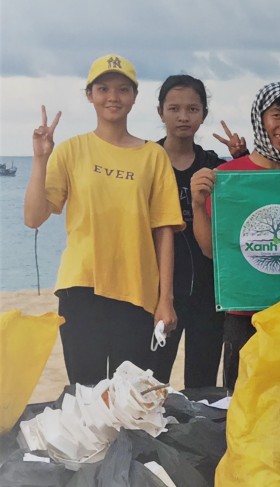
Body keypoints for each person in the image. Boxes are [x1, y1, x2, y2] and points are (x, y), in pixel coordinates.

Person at [23, 54, 183, 386]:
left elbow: (164, 231)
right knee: (87, 399)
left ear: (134, 97)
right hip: (81, 289)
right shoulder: (71, 150)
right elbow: (33, 217)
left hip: (137, 293)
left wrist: (164, 300)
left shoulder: (154, 156)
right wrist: (40, 158)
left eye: (123, 89)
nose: (113, 97)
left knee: (129, 403)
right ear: (90, 95)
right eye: (103, 88)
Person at [190, 82, 280, 391]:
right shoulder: (230, 176)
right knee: (241, 404)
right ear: (260, 117)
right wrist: (196, 203)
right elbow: (209, 250)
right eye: (277, 115)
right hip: (244, 313)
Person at [149, 74, 243, 388]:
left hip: (208, 291)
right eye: (174, 108)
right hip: (156, 290)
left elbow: (247, 201)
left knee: (201, 383)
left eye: (192, 109)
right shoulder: (146, 160)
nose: (183, 117)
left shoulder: (214, 165)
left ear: (203, 114)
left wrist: (240, 160)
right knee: (150, 379)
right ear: (160, 111)